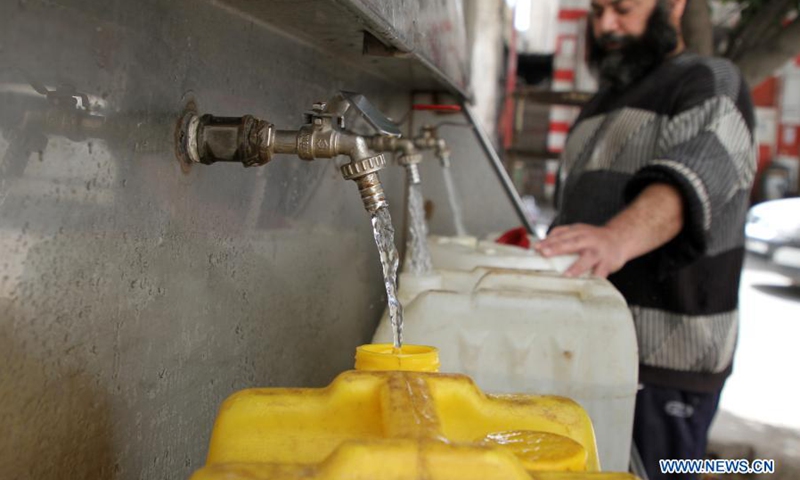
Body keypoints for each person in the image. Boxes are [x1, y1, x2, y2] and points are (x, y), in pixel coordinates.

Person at [533, 0, 756, 478]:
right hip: (592, 348)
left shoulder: (710, 80)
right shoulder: (601, 101)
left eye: (623, 9)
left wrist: (616, 237)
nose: (606, 25)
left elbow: (700, 172)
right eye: (597, 11)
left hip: (664, 362)